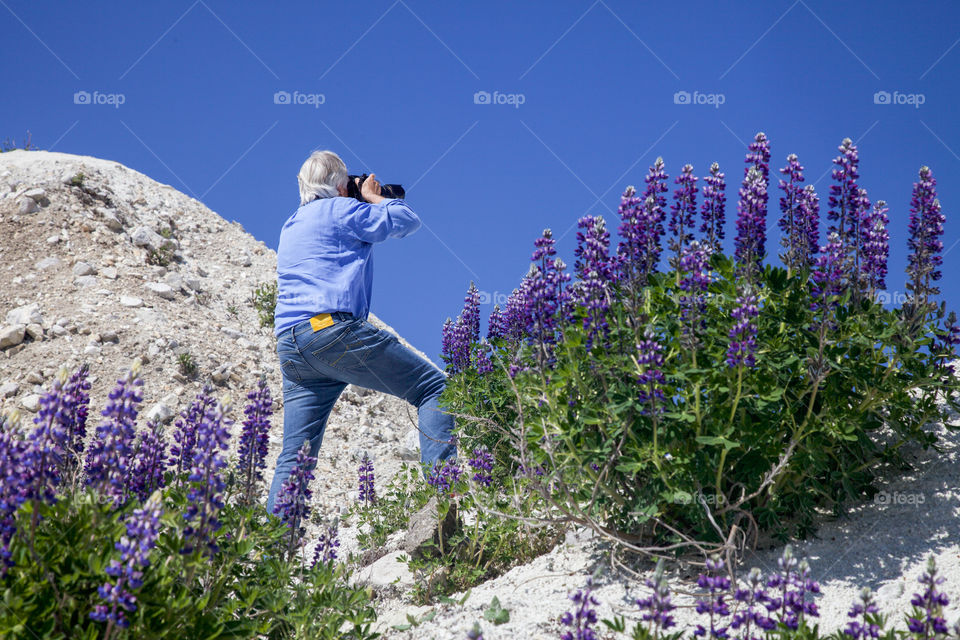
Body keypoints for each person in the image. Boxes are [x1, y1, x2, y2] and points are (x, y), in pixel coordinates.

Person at [266, 150, 457, 515]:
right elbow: (406, 219)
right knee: (435, 389)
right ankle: (443, 507)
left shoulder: (291, 224)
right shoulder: (343, 210)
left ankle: (273, 556)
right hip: (330, 331)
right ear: (340, 185)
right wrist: (371, 196)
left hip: (291, 344)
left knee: (295, 456)